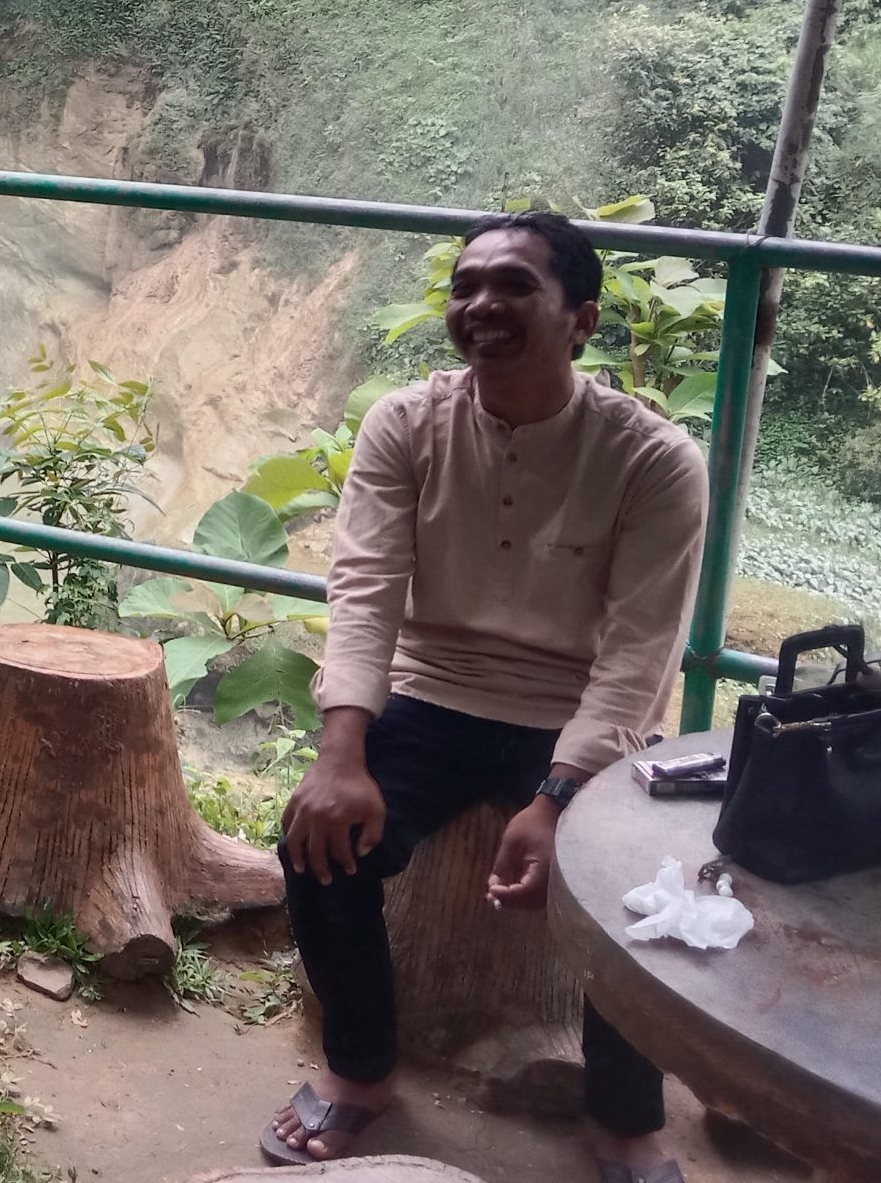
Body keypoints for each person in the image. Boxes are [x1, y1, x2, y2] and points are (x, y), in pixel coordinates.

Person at [264, 210, 705, 1183]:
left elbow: (640, 650)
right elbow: (366, 589)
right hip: (432, 690)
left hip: (576, 708)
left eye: (514, 285)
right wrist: (340, 755)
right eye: (465, 286)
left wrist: (558, 795)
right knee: (317, 845)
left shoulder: (651, 458)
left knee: (638, 887)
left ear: (581, 319)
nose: (481, 304)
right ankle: (361, 1069)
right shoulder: (405, 423)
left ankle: (626, 1119)